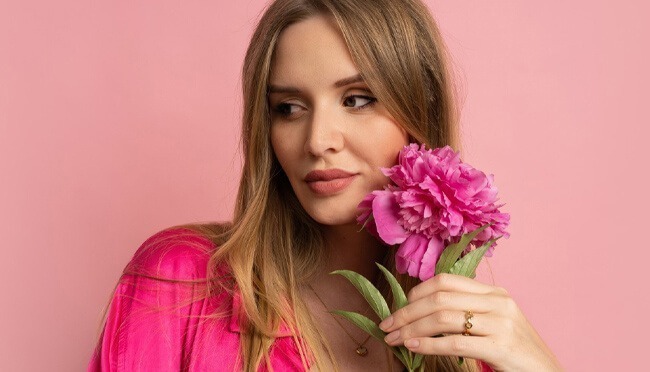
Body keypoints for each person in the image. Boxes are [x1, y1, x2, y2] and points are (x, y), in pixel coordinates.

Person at [88, 0, 562, 371]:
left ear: (419, 113)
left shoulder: (465, 346)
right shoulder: (180, 284)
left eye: (356, 100)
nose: (317, 141)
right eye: (289, 108)